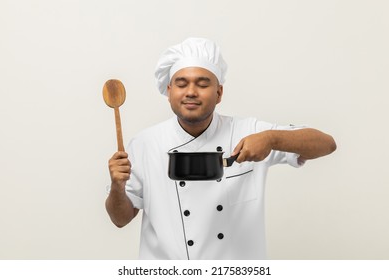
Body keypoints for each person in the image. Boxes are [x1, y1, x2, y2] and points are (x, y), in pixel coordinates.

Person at [105, 38, 336, 260]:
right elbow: (120, 219)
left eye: (203, 83)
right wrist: (117, 186)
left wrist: (272, 138)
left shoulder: (249, 131)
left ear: (219, 93)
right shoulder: (145, 144)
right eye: (181, 83)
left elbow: (327, 144)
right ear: (169, 92)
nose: (191, 92)